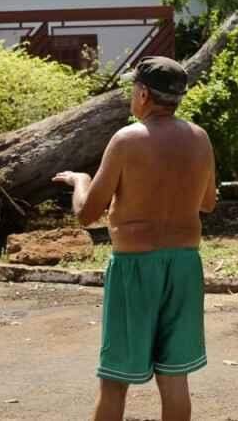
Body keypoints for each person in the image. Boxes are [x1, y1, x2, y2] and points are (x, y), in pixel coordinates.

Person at [52, 56, 216, 421]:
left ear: (143, 94)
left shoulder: (127, 140)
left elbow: (87, 214)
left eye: (132, 89)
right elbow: (207, 202)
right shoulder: (199, 138)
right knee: (175, 379)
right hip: (185, 266)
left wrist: (80, 180)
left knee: (115, 381)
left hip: (134, 269)